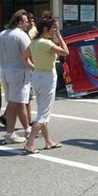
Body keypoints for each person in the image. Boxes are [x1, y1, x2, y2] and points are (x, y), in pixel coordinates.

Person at [22, 17, 69, 153]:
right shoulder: (46, 43)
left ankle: (49, 141)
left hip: (37, 76)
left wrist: (34, 67)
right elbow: (66, 52)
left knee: (42, 110)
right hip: (48, 77)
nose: (55, 30)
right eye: (54, 28)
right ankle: (29, 143)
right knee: (43, 114)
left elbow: (24, 57)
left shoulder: (34, 42)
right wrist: (60, 37)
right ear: (45, 29)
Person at [0, 10, 32, 144]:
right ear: (19, 22)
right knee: (16, 102)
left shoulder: (2, 34)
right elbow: (29, 54)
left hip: (5, 70)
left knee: (19, 102)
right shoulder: (21, 35)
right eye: (26, 22)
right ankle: (10, 134)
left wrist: (5, 58)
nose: (28, 24)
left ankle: (27, 129)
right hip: (19, 71)